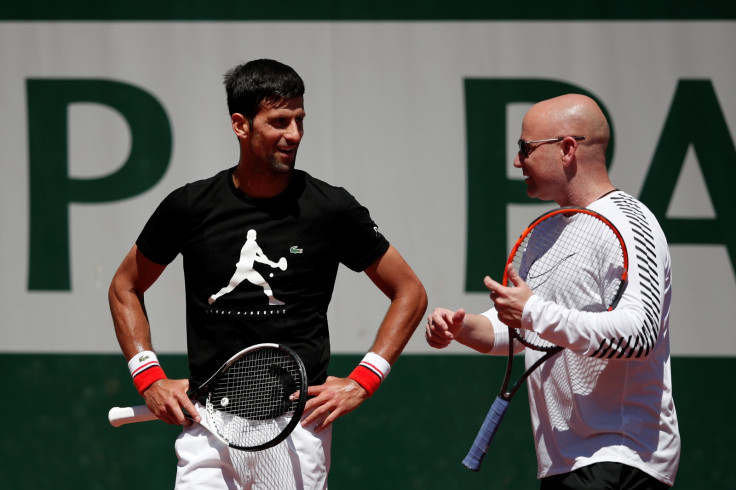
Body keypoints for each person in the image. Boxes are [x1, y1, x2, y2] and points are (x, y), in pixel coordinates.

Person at [109, 58, 427, 489]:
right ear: (241, 125)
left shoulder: (331, 208)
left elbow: (409, 291)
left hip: (297, 430)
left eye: (299, 120)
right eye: (279, 122)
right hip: (207, 429)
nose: (293, 135)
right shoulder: (188, 207)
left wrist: (364, 380)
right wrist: (149, 378)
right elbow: (125, 286)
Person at [426, 94, 680, 489]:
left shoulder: (631, 224)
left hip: (621, 457)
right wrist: (462, 327)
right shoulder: (544, 234)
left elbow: (638, 335)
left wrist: (533, 312)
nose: (517, 161)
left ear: (567, 149)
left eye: (525, 148)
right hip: (564, 464)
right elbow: (521, 329)